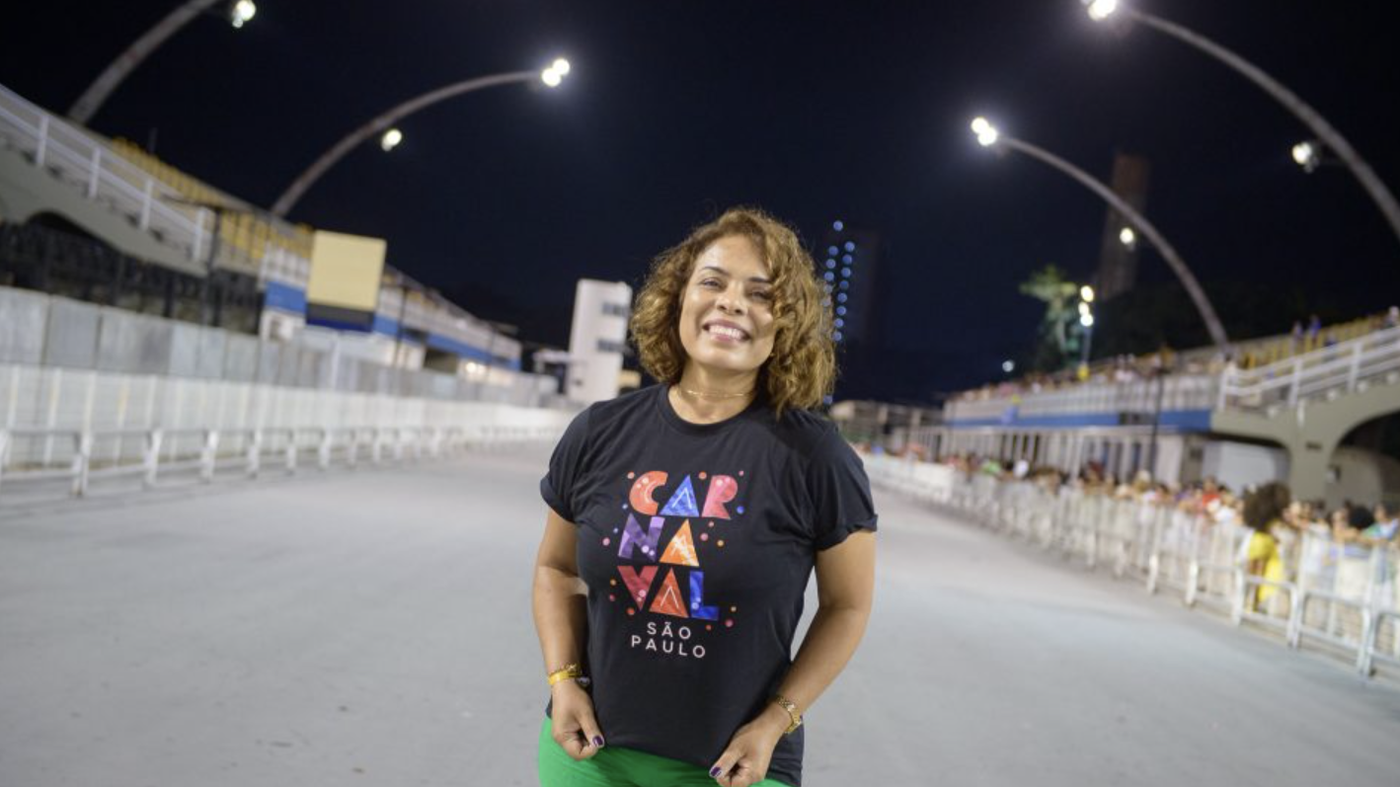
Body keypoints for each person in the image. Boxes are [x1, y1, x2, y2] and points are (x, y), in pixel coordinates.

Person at [531, 208, 878, 787]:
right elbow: (555, 567)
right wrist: (562, 679)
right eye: (712, 282)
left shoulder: (816, 458)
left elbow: (848, 606)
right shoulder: (598, 433)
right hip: (588, 757)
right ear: (678, 300)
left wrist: (777, 721)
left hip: (735, 768)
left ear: (785, 324)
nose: (732, 302)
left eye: (761, 294)